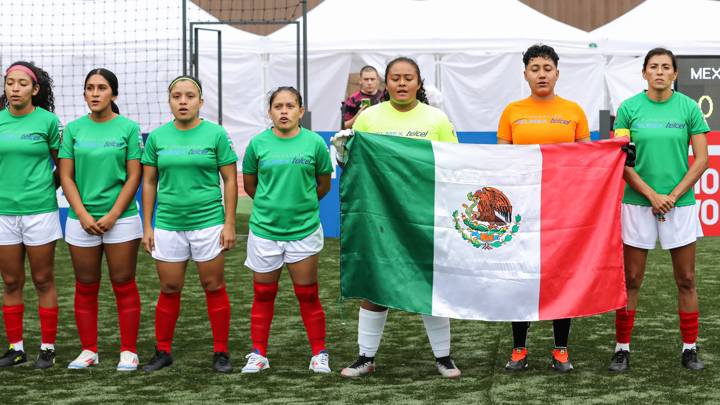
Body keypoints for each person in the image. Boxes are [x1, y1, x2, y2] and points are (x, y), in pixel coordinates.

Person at [337, 57, 461, 378]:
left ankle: (443, 357)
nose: (402, 83)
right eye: (395, 78)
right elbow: (353, 168)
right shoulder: (368, 119)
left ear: (419, 83)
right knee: (376, 286)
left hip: (424, 214)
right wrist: (341, 154)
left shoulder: (436, 119)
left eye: (408, 78)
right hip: (381, 217)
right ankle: (365, 357)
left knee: (428, 286)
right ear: (386, 83)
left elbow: (453, 164)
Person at [608, 48, 709, 372]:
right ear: (644, 73)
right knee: (633, 279)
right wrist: (652, 195)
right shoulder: (628, 109)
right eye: (654, 67)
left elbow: (702, 160)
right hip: (637, 203)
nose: (660, 72)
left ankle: (690, 349)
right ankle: (622, 348)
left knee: (687, 278)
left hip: (679, 205)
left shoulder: (689, 108)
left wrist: (673, 195)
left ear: (675, 74)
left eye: (666, 67)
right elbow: (620, 160)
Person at [497, 44, 590, 373]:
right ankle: (519, 349)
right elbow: (503, 161)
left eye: (547, 68)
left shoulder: (574, 111)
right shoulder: (512, 111)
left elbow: (586, 163)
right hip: (522, 211)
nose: (541, 74)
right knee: (520, 277)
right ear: (525, 74)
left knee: (561, 276)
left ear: (557, 73)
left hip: (562, 210)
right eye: (534, 68)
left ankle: (561, 350)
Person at [140, 75, 238, 373]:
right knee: (169, 287)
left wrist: (229, 222)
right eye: (177, 96)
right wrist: (148, 226)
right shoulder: (157, 137)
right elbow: (148, 181)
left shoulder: (216, 134)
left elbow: (231, 179)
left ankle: (221, 352)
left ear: (200, 101)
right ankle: (163, 350)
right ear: (169, 101)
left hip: (208, 222)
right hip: (168, 224)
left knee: (213, 285)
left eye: (190, 96)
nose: (183, 101)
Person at [240, 86, 333, 374]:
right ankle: (258, 354)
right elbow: (251, 185)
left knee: (307, 294)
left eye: (290, 106)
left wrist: (300, 206)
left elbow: (323, 185)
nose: (283, 111)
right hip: (265, 231)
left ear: (301, 111)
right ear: (270, 112)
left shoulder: (315, 143)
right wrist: (273, 206)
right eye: (278, 106)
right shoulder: (258, 144)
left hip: (303, 230)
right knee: (263, 294)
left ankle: (319, 353)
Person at [59, 68, 143, 371]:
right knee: (85, 284)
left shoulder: (128, 129)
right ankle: (88, 351)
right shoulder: (73, 129)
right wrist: (81, 214)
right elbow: (66, 176)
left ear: (114, 94)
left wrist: (113, 215)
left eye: (102, 88)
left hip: (121, 219)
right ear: (84, 94)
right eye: (90, 88)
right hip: (80, 220)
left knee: (123, 282)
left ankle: (128, 351)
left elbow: (135, 175)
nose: (95, 93)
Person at [0, 61, 62, 369]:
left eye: (22, 83)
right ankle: (16, 348)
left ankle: (47, 348)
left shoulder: (48, 121)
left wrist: (47, 187)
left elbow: (62, 165)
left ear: (35, 90)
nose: (14, 88)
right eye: (10, 82)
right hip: (3, 214)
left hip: (40, 211)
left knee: (42, 278)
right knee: (11, 281)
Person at [341, 65, 384, 129]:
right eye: (366, 79)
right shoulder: (352, 100)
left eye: (372, 79)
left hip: (380, 136)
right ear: (360, 80)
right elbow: (344, 126)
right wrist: (358, 116)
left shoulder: (384, 97)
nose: (369, 82)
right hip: (361, 136)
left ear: (377, 80)